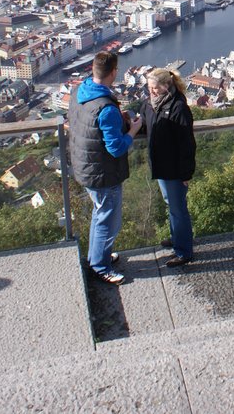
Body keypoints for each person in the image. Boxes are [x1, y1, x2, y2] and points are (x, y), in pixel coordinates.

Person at [68, 51, 141, 285]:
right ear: (114, 72)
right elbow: (116, 148)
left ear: (93, 69)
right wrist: (133, 130)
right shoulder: (106, 108)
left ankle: (97, 256)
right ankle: (100, 267)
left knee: (99, 214)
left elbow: (88, 125)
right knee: (108, 220)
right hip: (103, 173)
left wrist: (116, 118)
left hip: (85, 165)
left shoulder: (79, 91)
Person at [141, 66, 196, 267]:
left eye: (155, 88)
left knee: (178, 209)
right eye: (149, 87)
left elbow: (187, 143)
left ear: (166, 86)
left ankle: (184, 251)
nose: (151, 91)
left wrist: (186, 173)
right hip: (160, 165)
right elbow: (146, 125)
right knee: (171, 204)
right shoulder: (149, 104)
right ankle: (177, 239)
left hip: (175, 168)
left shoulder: (178, 107)